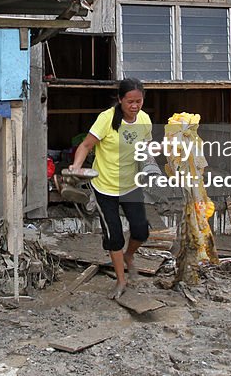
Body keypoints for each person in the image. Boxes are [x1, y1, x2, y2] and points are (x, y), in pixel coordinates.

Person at [68, 78, 152, 298]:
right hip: (105, 187)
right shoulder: (106, 119)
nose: (134, 106)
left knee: (141, 230)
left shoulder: (144, 120)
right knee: (114, 236)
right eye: (130, 102)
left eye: (138, 101)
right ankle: (121, 281)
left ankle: (129, 256)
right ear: (120, 100)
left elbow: (146, 148)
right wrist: (76, 166)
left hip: (131, 185)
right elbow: (86, 145)